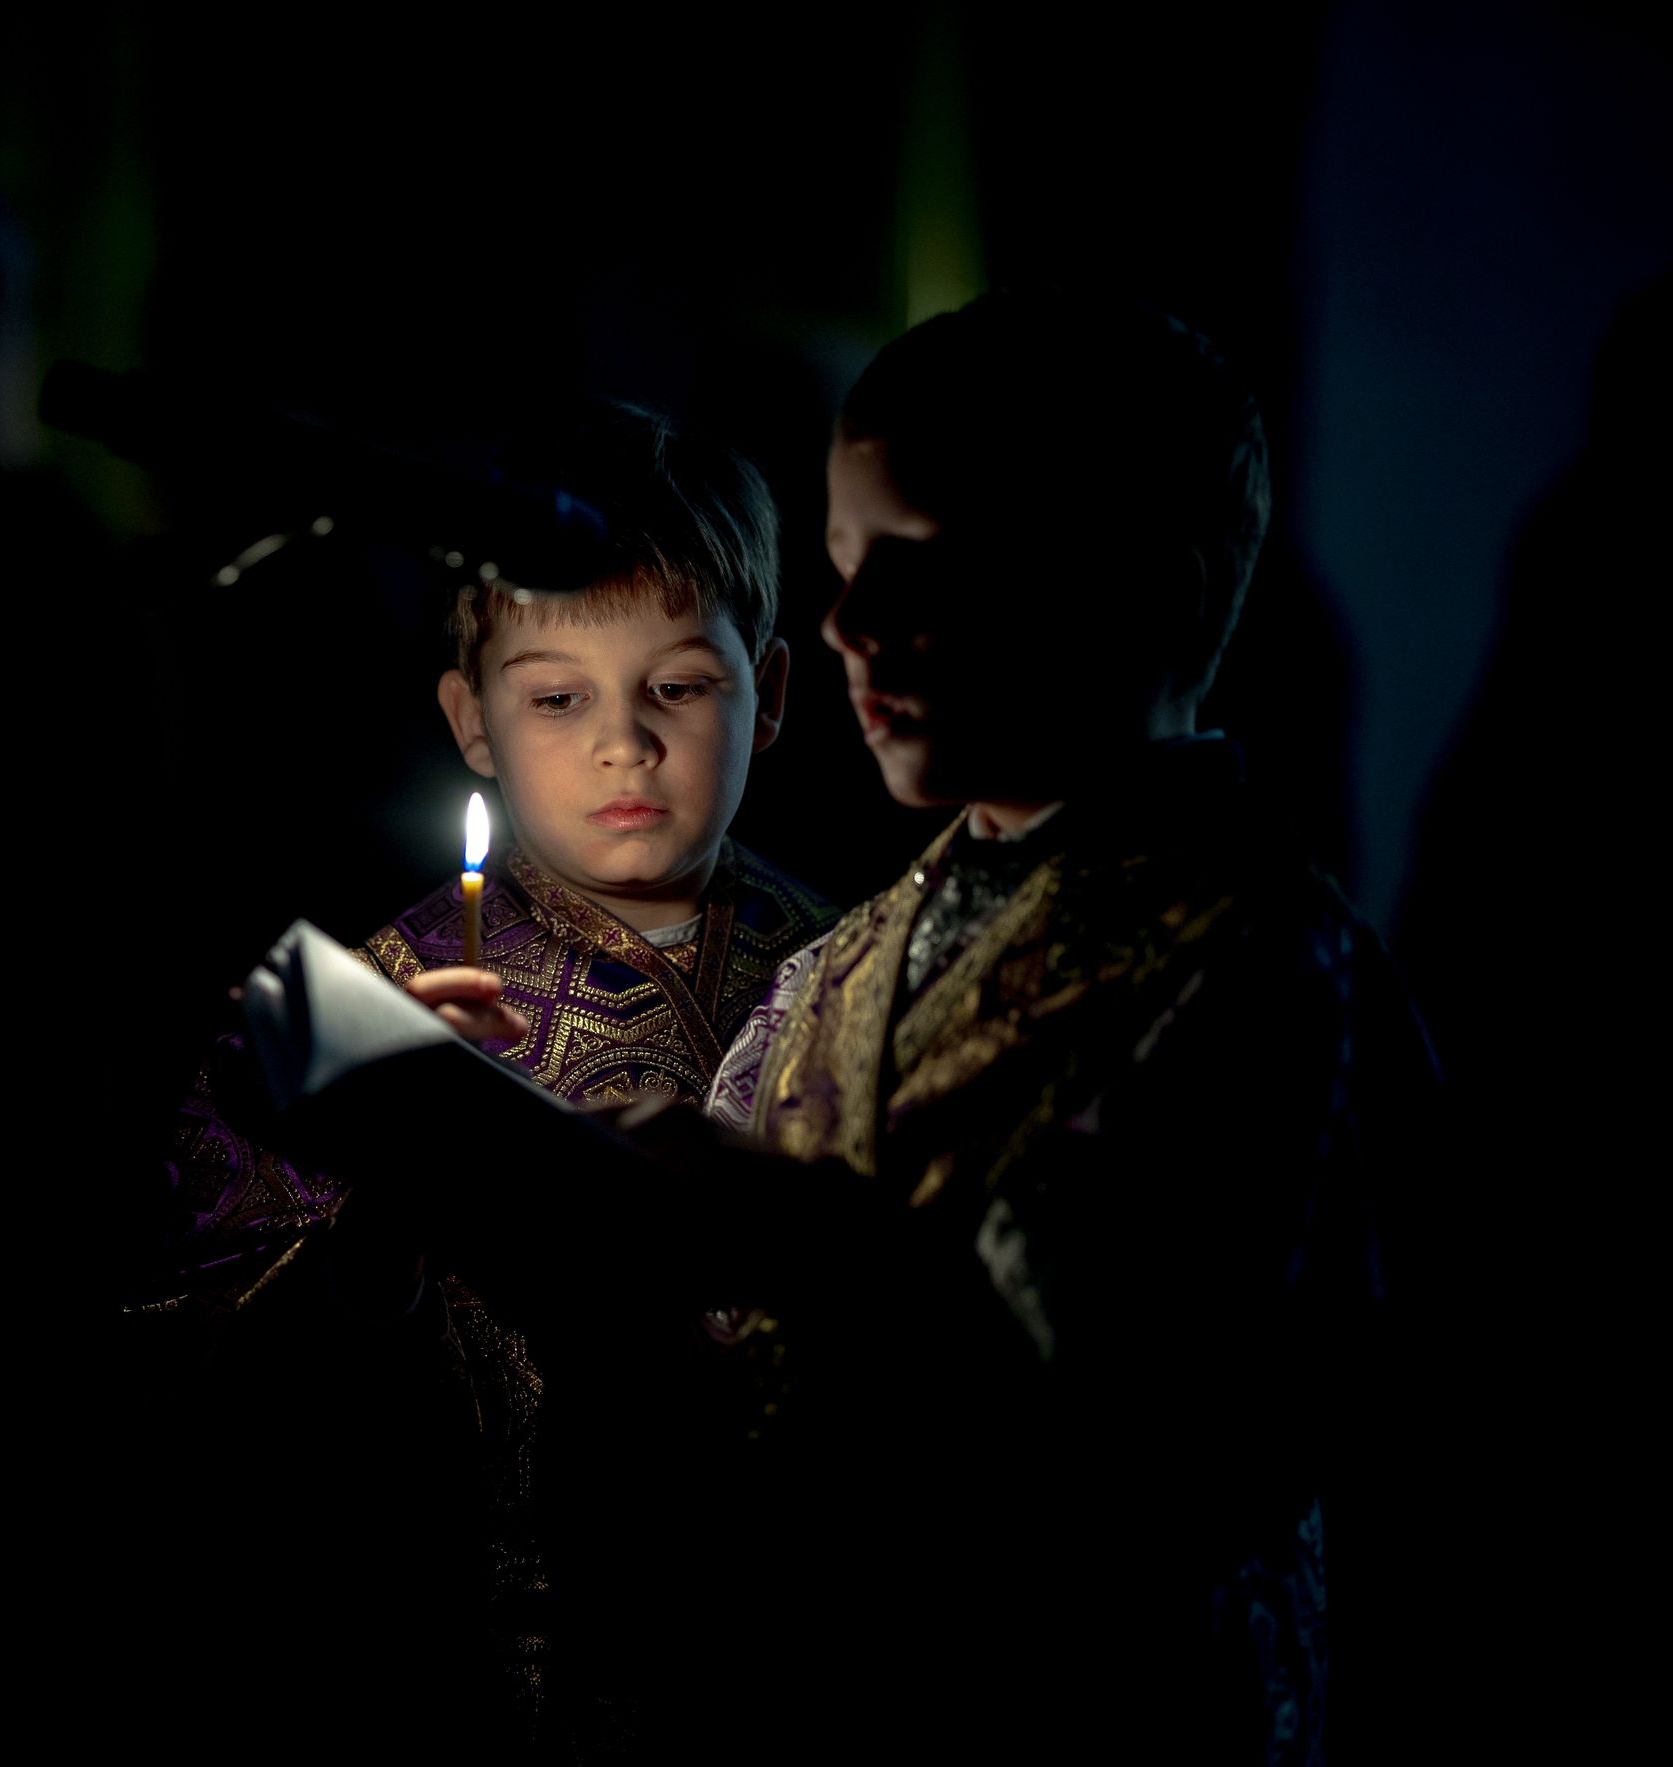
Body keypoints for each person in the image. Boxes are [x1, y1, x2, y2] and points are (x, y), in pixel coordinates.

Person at [604, 289, 1432, 1761]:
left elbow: (1149, 1434)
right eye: (842, 565)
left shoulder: (1269, 970)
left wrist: (783, 1226)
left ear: (1138, 586)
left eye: (922, 564)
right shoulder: (841, 963)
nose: (846, 626)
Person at [117, 401, 840, 1760]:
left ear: (774, 692)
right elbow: (193, 1416)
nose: (624, 744)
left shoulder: (856, 973)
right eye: (558, 698)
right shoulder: (354, 1017)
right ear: (471, 718)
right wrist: (389, 1203)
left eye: (680, 688)